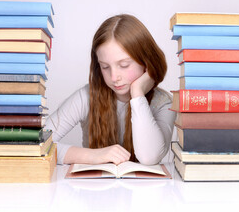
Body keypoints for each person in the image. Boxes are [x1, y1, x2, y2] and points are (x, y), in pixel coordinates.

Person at [45, 14, 176, 166]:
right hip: (94, 188)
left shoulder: (163, 103)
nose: (114, 77)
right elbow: (36, 143)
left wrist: (137, 92)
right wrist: (92, 156)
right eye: (105, 67)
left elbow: (149, 157)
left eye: (124, 65)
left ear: (146, 62)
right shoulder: (87, 96)